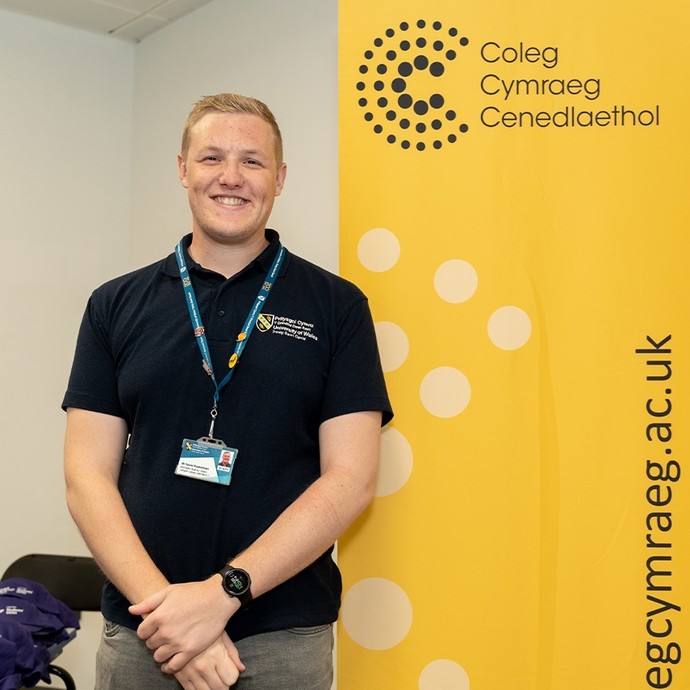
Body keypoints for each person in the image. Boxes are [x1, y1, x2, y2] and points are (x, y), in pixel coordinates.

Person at [62, 92, 393, 690]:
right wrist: (172, 614)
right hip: (144, 630)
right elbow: (86, 475)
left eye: (253, 160)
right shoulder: (114, 305)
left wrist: (222, 595)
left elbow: (350, 479)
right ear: (183, 169)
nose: (231, 177)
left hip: (282, 637)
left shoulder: (338, 307)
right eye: (212, 157)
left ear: (281, 177)